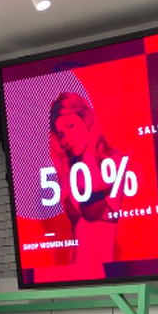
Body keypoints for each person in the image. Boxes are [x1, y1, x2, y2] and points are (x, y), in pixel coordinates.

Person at [49, 92, 122, 278]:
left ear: (86, 119)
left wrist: (89, 150)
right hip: (74, 276)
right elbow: (76, 228)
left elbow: (92, 200)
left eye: (71, 126)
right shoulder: (71, 169)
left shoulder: (114, 161)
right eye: (61, 134)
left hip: (106, 277)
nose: (67, 140)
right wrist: (62, 165)